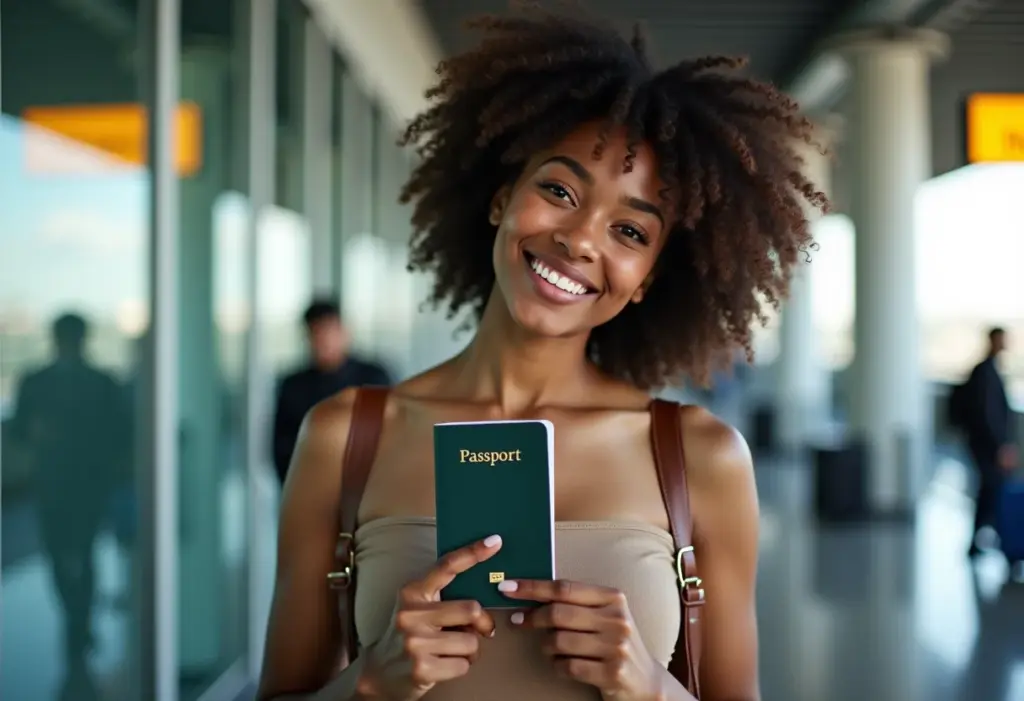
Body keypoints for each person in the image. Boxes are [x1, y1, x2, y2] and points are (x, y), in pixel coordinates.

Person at [257, 7, 826, 701]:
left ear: (647, 278)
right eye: (558, 190)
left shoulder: (700, 457)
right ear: (502, 199)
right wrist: (367, 682)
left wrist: (651, 687)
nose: (582, 239)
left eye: (629, 230)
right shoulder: (345, 436)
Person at [272, 300, 392, 483]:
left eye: (328, 332)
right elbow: (281, 448)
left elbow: (391, 435)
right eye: (316, 334)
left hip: (368, 488)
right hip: (310, 486)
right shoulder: (293, 385)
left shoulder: (374, 377)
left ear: (343, 332)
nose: (323, 341)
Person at [963, 327, 1016, 557]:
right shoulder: (985, 372)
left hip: (987, 445)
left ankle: (985, 537)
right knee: (990, 489)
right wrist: (1000, 446)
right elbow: (988, 414)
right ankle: (986, 538)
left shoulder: (988, 370)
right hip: (987, 446)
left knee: (990, 489)